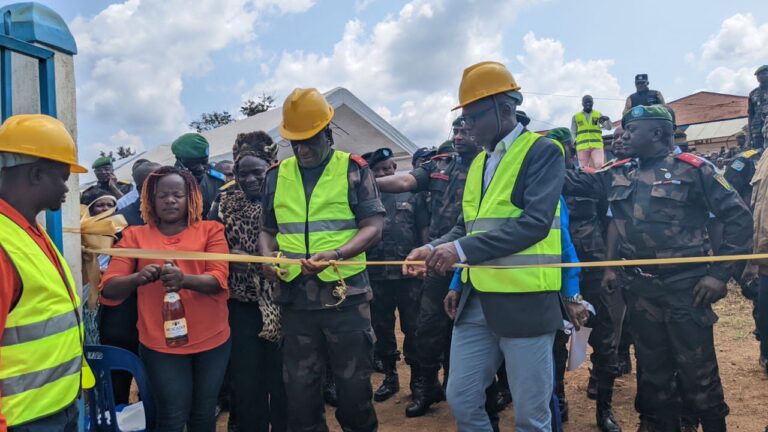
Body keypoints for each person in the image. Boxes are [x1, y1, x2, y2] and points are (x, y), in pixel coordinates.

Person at [565, 105, 752, 432]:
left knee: (698, 375)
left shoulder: (696, 170)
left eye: (632, 130)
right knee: (652, 374)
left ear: (657, 133)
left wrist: (719, 274)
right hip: (641, 292)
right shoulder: (620, 171)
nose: (623, 136)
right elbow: (590, 195)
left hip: (686, 290)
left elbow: (738, 219)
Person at [403, 61, 565, 431]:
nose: (466, 126)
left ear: (505, 109)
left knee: (530, 415)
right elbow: (466, 226)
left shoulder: (543, 152)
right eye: (463, 118)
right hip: (476, 299)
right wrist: (433, 248)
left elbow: (535, 224)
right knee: (460, 397)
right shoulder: (479, 162)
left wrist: (458, 253)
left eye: (474, 116)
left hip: (524, 302)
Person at [259, 88, 384, 432]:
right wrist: (267, 257)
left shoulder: (354, 170)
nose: (302, 149)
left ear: (328, 132)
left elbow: (373, 227)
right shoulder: (275, 176)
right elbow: (267, 230)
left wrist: (338, 254)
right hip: (296, 301)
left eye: (310, 140)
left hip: (346, 298)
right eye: (295, 142)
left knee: (354, 389)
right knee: (300, 393)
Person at [101, 166, 231, 431]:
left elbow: (219, 280)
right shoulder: (134, 236)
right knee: (171, 412)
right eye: (162, 196)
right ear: (150, 199)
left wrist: (184, 280)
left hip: (212, 340)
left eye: (177, 195)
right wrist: (137, 278)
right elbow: (109, 288)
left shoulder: (211, 230)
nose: (170, 200)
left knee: (204, 412)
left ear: (191, 198)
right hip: (160, 344)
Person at [376, 115, 482, 417]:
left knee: (475, 328)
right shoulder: (440, 165)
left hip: (478, 257)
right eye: (457, 130)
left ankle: (485, 391)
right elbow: (406, 181)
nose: (460, 136)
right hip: (439, 259)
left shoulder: (490, 165)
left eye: (467, 130)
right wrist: (365, 180)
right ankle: (426, 387)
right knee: (427, 327)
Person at [0, 114, 89, 430]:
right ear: (37, 173)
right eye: (63, 177)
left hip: (55, 406)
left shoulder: (27, 229)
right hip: (22, 419)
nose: (67, 188)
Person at [547, 127, 623, 431]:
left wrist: (608, 267)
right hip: (554, 271)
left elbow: (608, 221)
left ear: (569, 148)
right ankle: (559, 403)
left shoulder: (591, 179)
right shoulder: (538, 182)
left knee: (604, 342)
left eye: (557, 149)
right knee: (554, 345)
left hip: (591, 269)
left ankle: (604, 410)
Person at [209, 143, 286, 432]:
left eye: (257, 172)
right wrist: (229, 255)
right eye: (243, 174)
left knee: (282, 378)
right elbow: (209, 240)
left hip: (284, 300)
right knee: (246, 377)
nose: (250, 179)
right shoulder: (225, 200)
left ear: (271, 165)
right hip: (241, 302)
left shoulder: (289, 195)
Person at [362, 147, 426, 402]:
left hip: (409, 274)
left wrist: (424, 262)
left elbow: (423, 229)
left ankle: (417, 379)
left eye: (389, 168)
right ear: (371, 173)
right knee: (382, 329)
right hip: (376, 275)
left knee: (413, 327)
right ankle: (390, 375)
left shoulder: (413, 193)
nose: (385, 173)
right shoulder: (365, 198)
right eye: (379, 170)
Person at [171, 132, 226, 218]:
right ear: (180, 160)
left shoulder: (217, 178)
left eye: (204, 162)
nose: (201, 168)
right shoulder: (167, 183)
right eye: (194, 164)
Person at [571, 95, 611, 168]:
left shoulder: (598, 115)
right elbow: (573, 132)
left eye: (590, 102)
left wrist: (608, 120)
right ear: (582, 103)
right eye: (586, 102)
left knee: (599, 165)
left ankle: (599, 179)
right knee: (583, 169)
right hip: (582, 146)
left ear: (593, 103)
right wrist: (572, 144)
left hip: (597, 145)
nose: (588, 104)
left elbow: (608, 128)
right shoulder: (576, 117)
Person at [749, 66, 768, 150]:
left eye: (763, 73)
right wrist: (749, 135)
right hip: (757, 131)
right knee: (759, 155)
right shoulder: (753, 93)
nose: (760, 76)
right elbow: (751, 115)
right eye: (758, 75)